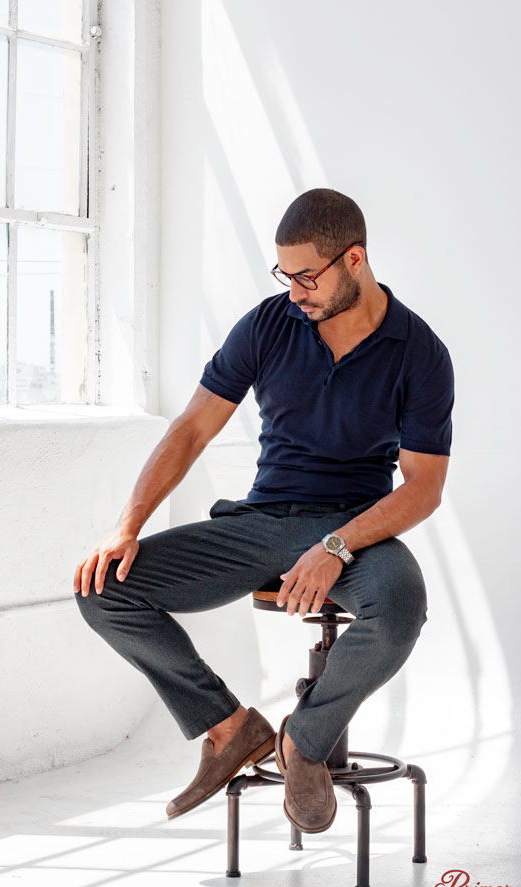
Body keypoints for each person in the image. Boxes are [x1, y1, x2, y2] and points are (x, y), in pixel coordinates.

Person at [73, 188, 454, 834]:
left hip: (354, 533)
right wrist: (128, 524)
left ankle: (304, 741)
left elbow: (422, 487)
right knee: (103, 589)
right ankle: (231, 729)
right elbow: (192, 428)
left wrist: (336, 547)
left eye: (307, 276)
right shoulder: (269, 325)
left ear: (354, 260)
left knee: (402, 605)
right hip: (263, 522)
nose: (295, 290)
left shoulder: (419, 353)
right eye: (285, 274)